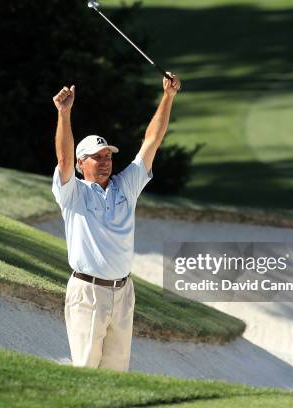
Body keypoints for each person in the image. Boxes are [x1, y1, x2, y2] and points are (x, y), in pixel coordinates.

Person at [51, 73, 181, 371]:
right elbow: (63, 161)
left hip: (123, 293)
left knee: (116, 375)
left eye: (108, 154)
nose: (106, 160)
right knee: (85, 370)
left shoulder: (126, 186)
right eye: (97, 157)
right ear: (81, 163)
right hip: (87, 292)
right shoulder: (73, 193)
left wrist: (168, 97)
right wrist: (64, 113)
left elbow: (152, 141)